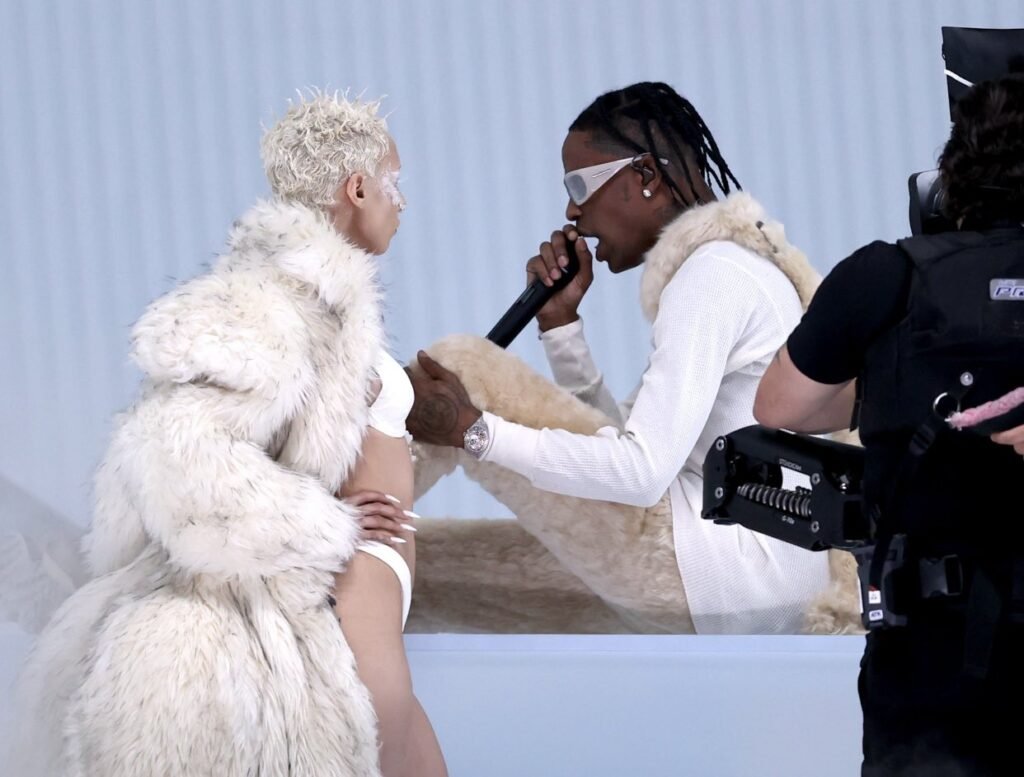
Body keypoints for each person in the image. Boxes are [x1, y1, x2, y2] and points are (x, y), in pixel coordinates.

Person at [10, 91, 446, 777]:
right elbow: (177, 457)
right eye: (395, 181)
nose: (403, 201)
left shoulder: (324, 304)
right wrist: (326, 522)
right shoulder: (267, 306)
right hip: (346, 600)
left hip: (370, 596)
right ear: (358, 188)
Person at [406, 81, 831, 635]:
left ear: (646, 176)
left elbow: (639, 476)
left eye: (580, 185)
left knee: (462, 367)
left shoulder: (713, 274)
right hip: (742, 586)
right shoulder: (731, 268)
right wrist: (560, 327)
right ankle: (336, 563)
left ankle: (321, 518)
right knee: (416, 571)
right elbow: (618, 455)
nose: (572, 210)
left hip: (720, 568)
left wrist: (475, 432)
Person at [754, 74, 1024, 775]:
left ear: (950, 176)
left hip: (929, 666)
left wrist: (896, 385)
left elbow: (780, 408)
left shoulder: (885, 276)